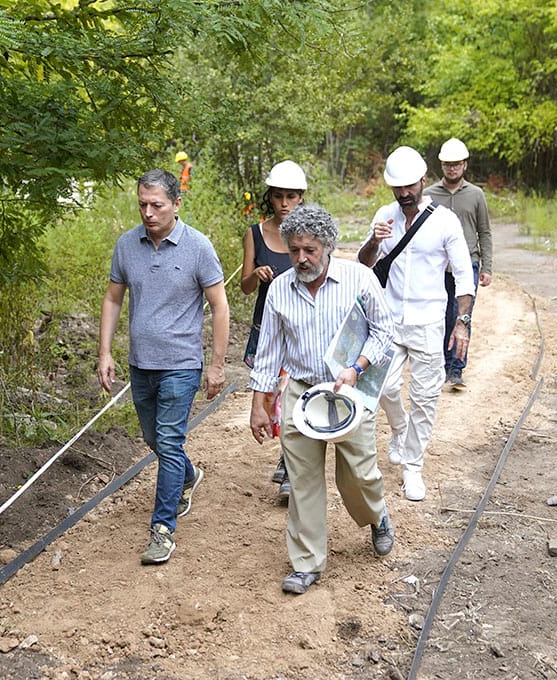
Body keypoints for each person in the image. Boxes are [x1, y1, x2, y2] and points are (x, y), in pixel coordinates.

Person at [249, 204, 396, 595]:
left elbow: (384, 331)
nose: (301, 259)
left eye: (310, 250)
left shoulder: (359, 279)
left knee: (358, 476)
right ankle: (307, 563)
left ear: (328, 246)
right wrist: (258, 404)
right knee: (303, 481)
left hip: (350, 389)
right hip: (301, 392)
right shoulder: (281, 288)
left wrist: (357, 367)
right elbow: (268, 353)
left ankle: (376, 516)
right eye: (294, 250)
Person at [96, 168, 229, 565]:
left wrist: (217, 365)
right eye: (142, 204)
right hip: (141, 363)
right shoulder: (126, 245)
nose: (148, 213)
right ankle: (187, 475)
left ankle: (163, 529)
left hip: (182, 364)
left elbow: (220, 306)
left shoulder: (198, 248)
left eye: (157, 205)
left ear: (176, 204)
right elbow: (113, 299)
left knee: (169, 442)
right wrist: (105, 352)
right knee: (155, 440)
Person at [357, 146, 474, 502]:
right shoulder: (383, 216)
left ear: (423, 181)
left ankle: (413, 468)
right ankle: (398, 429)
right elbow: (364, 265)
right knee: (383, 388)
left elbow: (465, 275)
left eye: (410, 186)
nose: (405, 193)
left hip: (428, 321)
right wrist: (374, 240)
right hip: (388, 320)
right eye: (398, 187)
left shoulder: (444, 221)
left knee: (424, 397)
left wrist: (462, 322)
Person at [240, 160, 308, 503]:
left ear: (301, 198)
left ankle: (290, 463)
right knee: (270, 397)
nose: (284, 203)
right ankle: (286, 455)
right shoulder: (256, 233)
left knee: (290, 396)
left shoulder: (307, 238)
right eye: (279, 196)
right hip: (267, 327)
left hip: (300, 329)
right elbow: (244, 286)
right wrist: (258, 273)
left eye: (291, 196)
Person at [423, 138, 492, 389]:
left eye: (456, 164)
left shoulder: (476, 195)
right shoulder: (429, 195)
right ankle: (441, 365)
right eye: (447, 165)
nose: (452, 169)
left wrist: (487, 267)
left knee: (462, 316)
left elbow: (484, 231)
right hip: (439, 266)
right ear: (441, 166)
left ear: (464, 165)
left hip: (469, 264)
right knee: (441, 316)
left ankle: (456, 370)